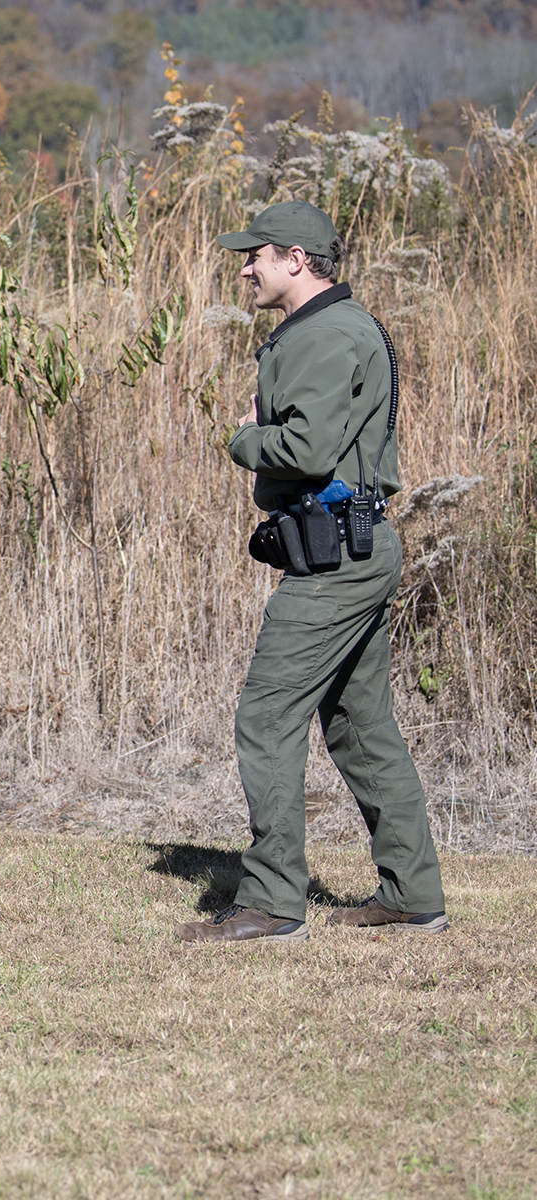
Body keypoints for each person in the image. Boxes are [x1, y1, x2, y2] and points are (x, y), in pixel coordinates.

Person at [178, 201, 447, 945]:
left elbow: (304, 446)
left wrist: (243, 437)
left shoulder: (327, 334)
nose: (244, 268)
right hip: (355, 548)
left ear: (297, 258)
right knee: (361, 726)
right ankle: (412, 892)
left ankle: (270, 903)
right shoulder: (339, 325)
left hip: (336, 560)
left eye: (255, 255)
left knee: (267, 716)